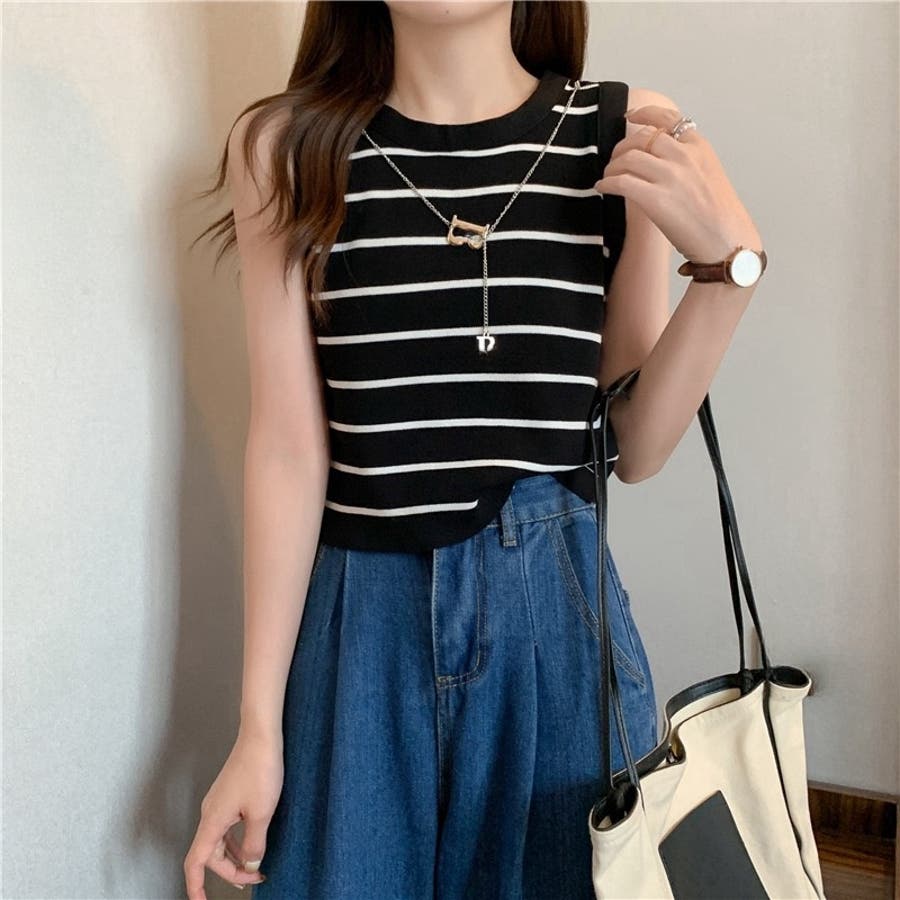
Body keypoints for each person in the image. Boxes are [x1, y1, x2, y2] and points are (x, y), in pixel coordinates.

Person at [183, 2, 767, 897]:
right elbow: (289, 451)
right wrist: (257, 726)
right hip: (359, 631)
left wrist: (729, 275)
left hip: (555, 628)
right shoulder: (286, 149)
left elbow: (633, 446)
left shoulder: (622, 130)